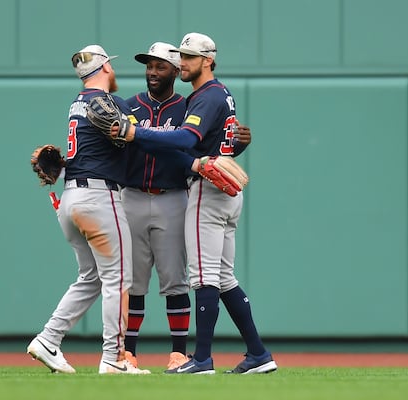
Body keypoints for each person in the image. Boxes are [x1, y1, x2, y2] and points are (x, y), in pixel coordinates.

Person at [116, 32, 277, 374]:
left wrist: (137, 133)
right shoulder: (219, 94)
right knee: (224, 278)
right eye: (182, 56)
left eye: (188, 57)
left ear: (207, 60)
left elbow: (187, 140)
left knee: (203, 278)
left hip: (208, 190)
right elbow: (217, 144)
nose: (183, 62)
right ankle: (259, 354)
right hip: (222, 188)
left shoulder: (205, 96)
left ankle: (201, 359)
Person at [26, 44, 150, 375]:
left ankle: (48, 339)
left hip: (71, 197)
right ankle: (114, 358)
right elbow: (135, 141)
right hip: (99, 198)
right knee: (118, 279)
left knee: (91, 277)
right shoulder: (107, 102)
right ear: (106, 67)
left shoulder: (77, 103)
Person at [121, 42, 191, 371]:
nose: (152, 72)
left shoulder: (188, 107)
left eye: (160, 66)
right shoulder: (129, 105)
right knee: (133, 282)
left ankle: (179, 353)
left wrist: (237, 144)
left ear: (176, 71)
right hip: (132, 195)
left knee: (175, 281)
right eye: (149, 65)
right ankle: (128, 353)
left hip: (172, 197)